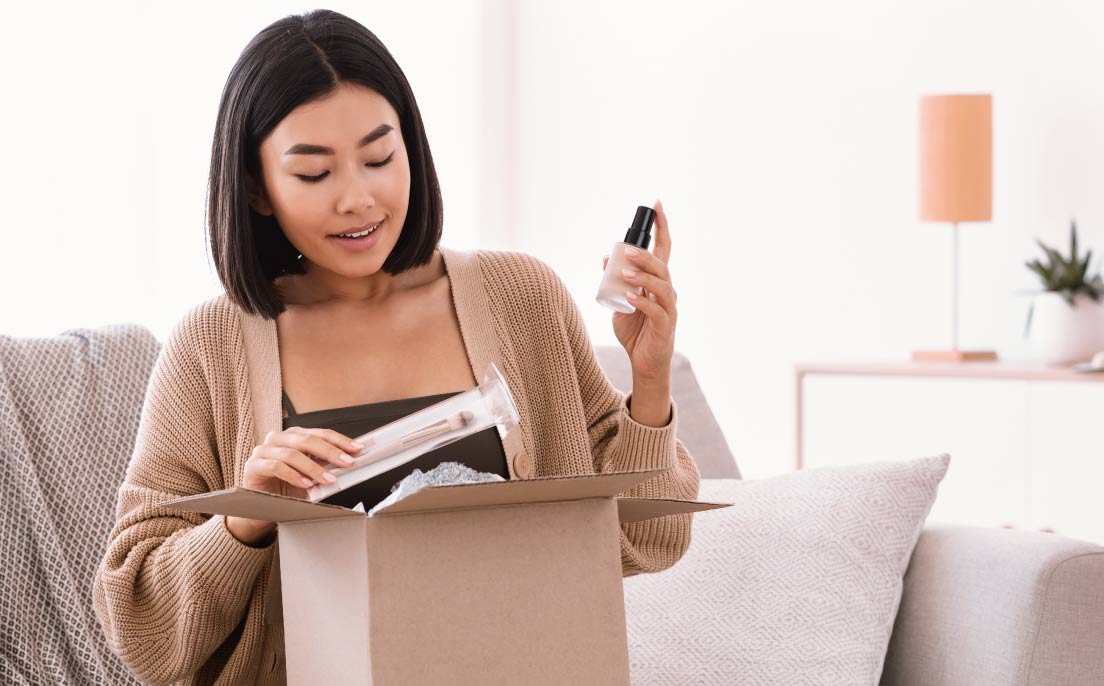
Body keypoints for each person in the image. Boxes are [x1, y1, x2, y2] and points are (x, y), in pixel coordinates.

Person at [92, 9, 699, 685]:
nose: (359, 198)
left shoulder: (521, 295)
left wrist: (650, 382)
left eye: (381, 158)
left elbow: (647, 541)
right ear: (258, 190)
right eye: (315, 174)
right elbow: (140, 627)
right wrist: (246, 517)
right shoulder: (211, 346)